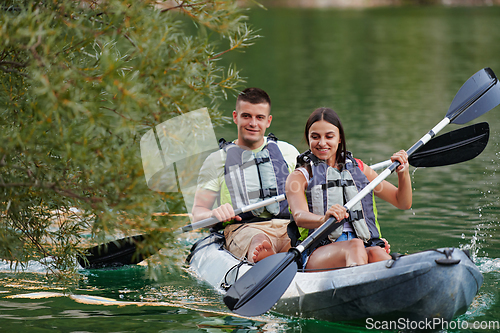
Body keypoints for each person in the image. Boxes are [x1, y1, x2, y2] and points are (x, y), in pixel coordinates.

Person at [285, 107, 412, 270]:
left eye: (329, 136)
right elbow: (299, 216)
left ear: (339, 139)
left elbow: (402, 202)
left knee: (376, 253)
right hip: (316, 252)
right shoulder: (299, 176)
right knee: (355, 246)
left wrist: (403, 174)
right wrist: (323, 219)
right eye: (315, 137)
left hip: (362, 246)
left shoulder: (359, 168)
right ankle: (358, 291)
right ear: (308, 139)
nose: (322, 143)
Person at [192, 88, 299, 263]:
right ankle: (264, 259)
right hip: (244, 228)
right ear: (235, 117)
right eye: (246, 116)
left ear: (268, 121)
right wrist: (214, 214)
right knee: (259, 240)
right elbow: (197, 214)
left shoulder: (288, 152)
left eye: (260, 117)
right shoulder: (216, 160)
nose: (253, 123)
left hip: (288, 227)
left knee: (301, 244)